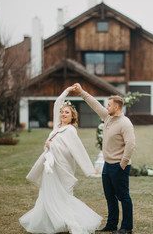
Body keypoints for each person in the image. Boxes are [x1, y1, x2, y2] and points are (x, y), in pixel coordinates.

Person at [19, 86, 102, 234]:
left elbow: (75, 151)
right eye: (62, 112)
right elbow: (58, 102)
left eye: (67, 113)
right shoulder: (57, 127)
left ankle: (73, 222)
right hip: (49, 168)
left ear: (72, 117)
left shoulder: (70, 130)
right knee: (47, 195)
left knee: (62, 197)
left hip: (61, 168)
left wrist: (52, 145)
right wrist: (68, 90)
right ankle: (50, 222)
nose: (63, 114)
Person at [73, 83, 135, 234]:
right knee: (110, 197)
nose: (106, 107)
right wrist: (82, 92)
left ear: (117, 107)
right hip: (107, 165)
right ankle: (112, 225)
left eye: (109, 105)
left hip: (119, 166)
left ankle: (127, 227)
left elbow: (131, 144)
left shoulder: (125, 123)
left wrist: (123, 163)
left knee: (123, 197)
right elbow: (94, 104)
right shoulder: (108, 117)